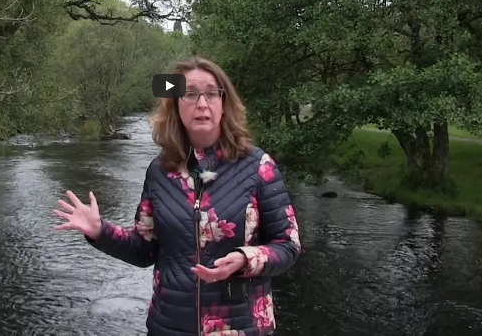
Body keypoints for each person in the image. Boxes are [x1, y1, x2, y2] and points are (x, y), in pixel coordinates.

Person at [53, 57, 301, 335]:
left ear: (224, 103)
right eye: (189, 94)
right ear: (175, 105)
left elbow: (287, 246)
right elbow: (145, 249)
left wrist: (246, 258)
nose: (202, 103)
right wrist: (100, 231)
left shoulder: (258, 166)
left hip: (241, 327)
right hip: (168, 326)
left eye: (211, 93)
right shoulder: (160, 171)